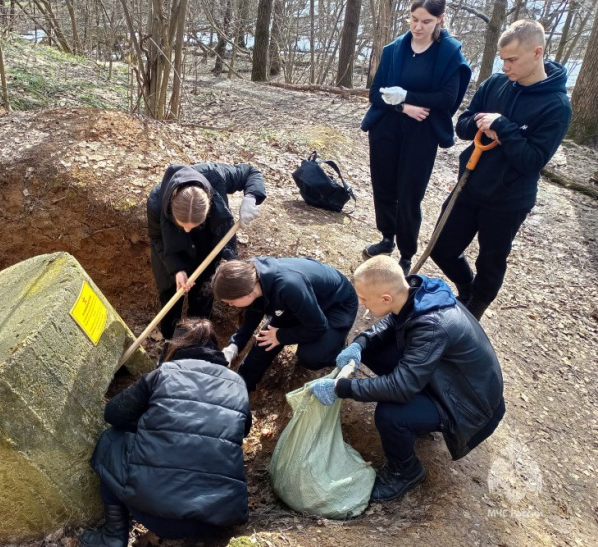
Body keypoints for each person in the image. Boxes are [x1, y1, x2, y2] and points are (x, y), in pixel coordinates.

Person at [308, 256, 505, 503]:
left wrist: (342, 388)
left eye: (364, 299)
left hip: (468, 404)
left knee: (391, 414)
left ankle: (405, 471)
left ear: (386, 298)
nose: (360, 303)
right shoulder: (416, 292)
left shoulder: (431, 327)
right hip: (446, 380)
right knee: (374, 349)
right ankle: (419, 419)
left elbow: (400, 388)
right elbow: (393, 322)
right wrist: (360, 344)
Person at [430, 20, 572, 320]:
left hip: (508, 199)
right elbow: (464, 126)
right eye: (502, 58)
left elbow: (532, 160)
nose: (505, 66)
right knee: (441, 247)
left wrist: (503, 128)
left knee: (491, 261)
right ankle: (466, 289)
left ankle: (474, 311)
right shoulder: (495, 83)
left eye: (512, 59)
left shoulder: (557, 105)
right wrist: (483, 123)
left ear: (537, 53)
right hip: (470, 185)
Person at [82, 319, 251, 546]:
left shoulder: (164, 373)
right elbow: (242, 430)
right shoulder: (238, 384)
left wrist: (147, 420)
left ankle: (113, 535)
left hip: (157, 515)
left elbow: (113, 414)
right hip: (216, 518)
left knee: (110, 440)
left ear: (176, 346)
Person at [360, 0, 471, 275]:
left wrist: (408, 95)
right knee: (383, 186)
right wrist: (401, 106)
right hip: (386, 127)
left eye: (426, 21)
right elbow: (376, 94)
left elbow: (447, 99)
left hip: (421, 133)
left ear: (440, 19)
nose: (418, 27)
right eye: (413, 19)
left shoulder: (449, 54)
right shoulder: (394, 50)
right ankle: (387, 238)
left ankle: (406, 252)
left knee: (409, 194)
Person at [148, 163, 267, 339]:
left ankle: (195, 339)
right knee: (170, 295)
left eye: (194, 225)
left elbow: (251, 172)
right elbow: (157, 238)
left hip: (206, 247)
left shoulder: (214, 175)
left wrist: (251, 197)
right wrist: (177, 269)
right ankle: (169, 340)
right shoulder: (157, 200)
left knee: (203, 296)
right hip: (169, 251)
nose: (187, 230)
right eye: (183, 226)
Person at [211, 257, 358, 392]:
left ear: (247, 293)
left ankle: (336, 349)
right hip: (298, 305)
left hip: (336, 304)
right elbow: (251, 318)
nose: (230, 306)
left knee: (311, 356)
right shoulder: (248, 278)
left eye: (231, 302)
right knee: (264, 343)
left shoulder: (288, 286)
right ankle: (243, 385)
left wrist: (281, 336)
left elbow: (318, 326)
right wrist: (233, 347)